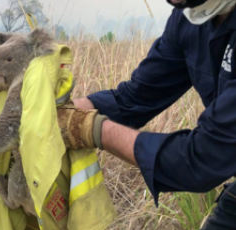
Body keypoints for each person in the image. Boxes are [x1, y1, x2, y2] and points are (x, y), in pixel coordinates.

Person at [72, 0, 236, 229]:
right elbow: (135, 97)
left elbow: (205, 157)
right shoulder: (188, 19)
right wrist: (69, 111)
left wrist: (92, 129)